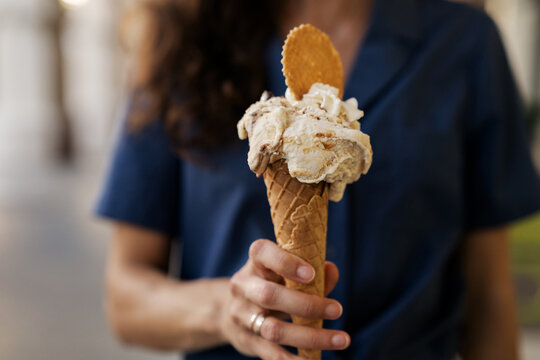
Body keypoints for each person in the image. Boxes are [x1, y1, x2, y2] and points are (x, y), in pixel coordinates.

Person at [96, 0, 540, 359]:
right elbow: (125, 300)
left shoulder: (464, 43)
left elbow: (488, 294)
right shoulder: (181, 36)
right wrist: (222, 309)